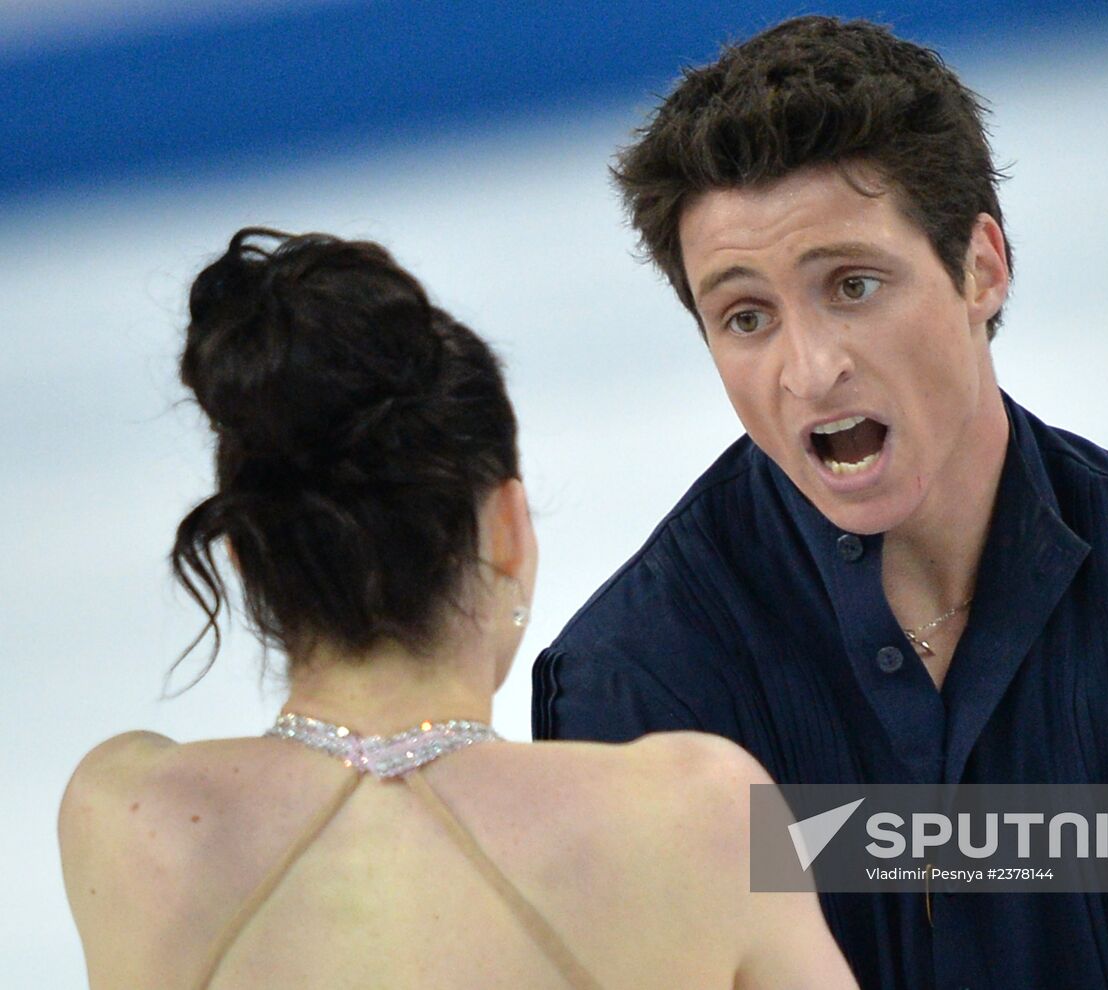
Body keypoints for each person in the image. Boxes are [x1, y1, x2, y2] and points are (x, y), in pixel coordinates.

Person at [532, 15, 1108, 990]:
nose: (810, 369)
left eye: (851, 284)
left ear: (981, 265)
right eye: (744, 316)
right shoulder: (636, 689)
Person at [57, 228, 858, 989]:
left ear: (246, 560)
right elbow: (953, 847)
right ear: (509, 528)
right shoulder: (696, 812)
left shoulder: (125, 816)